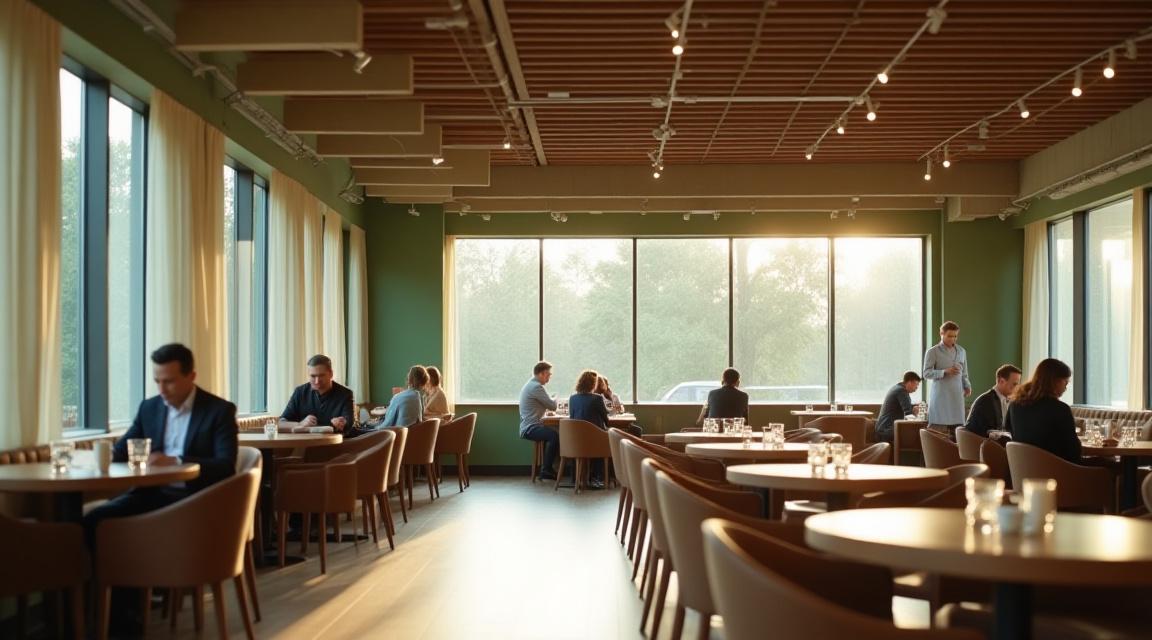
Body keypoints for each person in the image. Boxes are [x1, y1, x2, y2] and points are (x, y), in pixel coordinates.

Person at [83, 343, 238, 634]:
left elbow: (225, 466)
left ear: (191, 376)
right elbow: (124, 448)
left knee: (122, 530)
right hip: (150, 495)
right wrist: (103, 453)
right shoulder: (150, 407)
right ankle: (104, 613)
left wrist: (176, 461)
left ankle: (125, 619)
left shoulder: (218, 410)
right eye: (157, 380)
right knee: (94, 521)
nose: (162, 388)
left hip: (193, 503)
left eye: (169, 380)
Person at [1005, 358, 1080, 463]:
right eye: (1065, 382)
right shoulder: (1060, 409)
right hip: (1057, 471)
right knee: (1108, 464)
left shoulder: (1014, 405)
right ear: (1055, 381)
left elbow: (1008, 430)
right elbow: (1074, 453)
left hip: (1022, 469)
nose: (1066, 387)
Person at [280, 354, 354, 432]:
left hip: (333, 443)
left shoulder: (345, 394)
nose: (317, 381)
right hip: (303, 442)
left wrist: (342, 423)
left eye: (321, 375)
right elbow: (280, 424)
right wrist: (300, 424)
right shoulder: (300, 392)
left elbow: (348, 423)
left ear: (331, 374)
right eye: (313, 376)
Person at [922, 321, 971, 437]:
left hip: (956, 396)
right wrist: (944, 372)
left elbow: (964, 373)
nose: (952, 339)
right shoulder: (933, 352)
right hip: (941, 397)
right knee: (937, 433)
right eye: (949, 336)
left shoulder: (962, 351)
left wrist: (967, 386)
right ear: (941, 334)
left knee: (957, 433)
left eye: (955, 336)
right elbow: (926, 373)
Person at [519, 361, 559, 481]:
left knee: (552, 434)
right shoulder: (536, 387)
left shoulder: (530, 385)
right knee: (554, 436)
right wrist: (556, 398)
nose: (549, 377)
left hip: (529, 425)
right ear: (541, 374)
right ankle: (546, 469)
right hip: (530, 428)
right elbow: (553, 406)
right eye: (548, 375)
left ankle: (547, 468)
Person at [570, 370, 609, 489]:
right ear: (593, 384)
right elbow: (606, 419)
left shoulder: (572, 398)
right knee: (603, 437)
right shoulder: (597, 398)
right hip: (594, 441)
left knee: (593, 437)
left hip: (577, 441)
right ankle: (599, 478)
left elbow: (572, 418)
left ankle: (575, 477)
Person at [964, 364, 1022, 437]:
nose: (1018, 388)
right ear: (1001, 381)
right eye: (1014, 384)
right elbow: (990, 432)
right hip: (982, 445)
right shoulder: (985, 401)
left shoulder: (1011, 401)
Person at [875, 371, 921, 443]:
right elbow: (908, 414)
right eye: (916, 385)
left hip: (883, 428)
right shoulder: (902, 391)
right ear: (910, 382)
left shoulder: (898, 388)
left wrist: (913, 409)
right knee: (918, 435)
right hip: (887, 430)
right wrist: (915, 414)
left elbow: (904, 406)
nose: (916, 388)